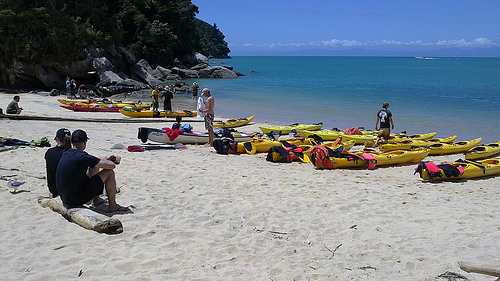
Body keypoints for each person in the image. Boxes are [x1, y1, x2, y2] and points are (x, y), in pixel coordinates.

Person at [56, 129, 128, 213]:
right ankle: (113, 205)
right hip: (75, 199)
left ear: (72, 142)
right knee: (109, 172)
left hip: (64, 197)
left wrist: (102, 161)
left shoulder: (66, 153)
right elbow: (112, 166)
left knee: (94, 165)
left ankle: (96, 199)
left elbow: (92, 163)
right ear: (85, 142)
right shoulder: (82, 156)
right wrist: (105, 159)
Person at [44, 128, 71, 198]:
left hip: (53, 189)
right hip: (66, 191)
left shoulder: (49, 152)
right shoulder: (71, 153)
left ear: (57, 139)